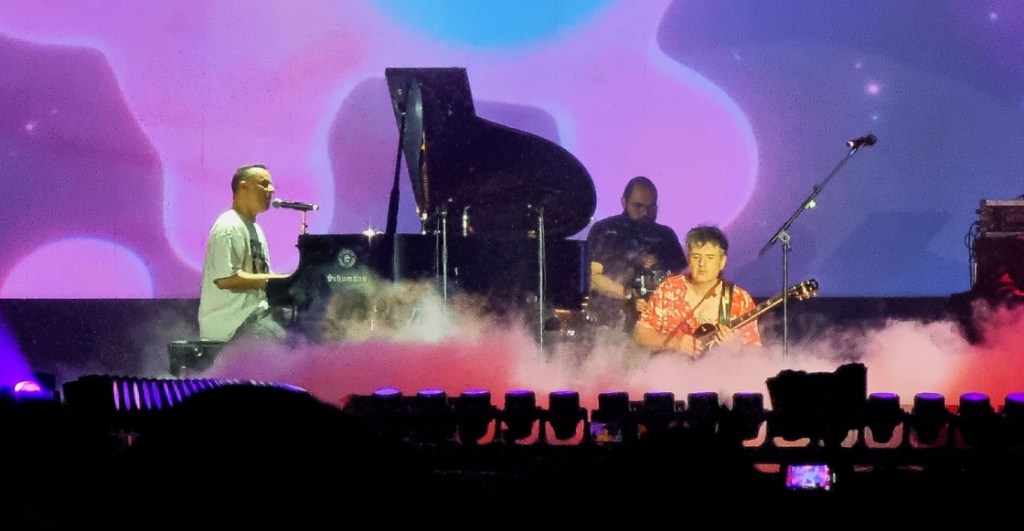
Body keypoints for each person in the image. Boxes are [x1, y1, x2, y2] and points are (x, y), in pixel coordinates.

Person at [633, 225, 762, 357]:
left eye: (710, 257)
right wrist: (674, 343)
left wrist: (736, 348)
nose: (702, 263)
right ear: (688, 259)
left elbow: (756, 353)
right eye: (696, 256)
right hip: (670, 367)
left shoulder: (740, 299)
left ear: (722, 262)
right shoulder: (669, 289)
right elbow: (641, 333)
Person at [198, 163, 292, 343]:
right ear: (243, 187)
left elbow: (260, 275)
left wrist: (289, 283)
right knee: (289, 338)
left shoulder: (255, 229)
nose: (271, 190)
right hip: (232, 325)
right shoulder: (229, 225)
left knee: (304, 323)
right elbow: (226, 279)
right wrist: (280, 280)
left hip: (255, 317)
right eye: (264, 184)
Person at [586, 176, 686, 333]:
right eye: (638, 206)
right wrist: (629, 294)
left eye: (651, 208)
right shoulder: (605, 231)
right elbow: (593, 278)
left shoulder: (666, 236)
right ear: (624, 202)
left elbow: (680, 281)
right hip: (609, 323)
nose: (645, 213)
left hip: (656, 326)